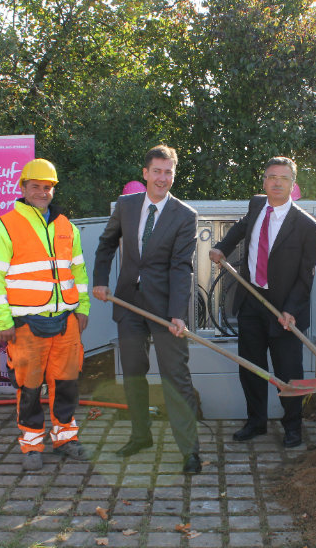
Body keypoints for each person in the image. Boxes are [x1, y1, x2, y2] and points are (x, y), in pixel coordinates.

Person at [92, 145, 202, 475]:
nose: (162, 178)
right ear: (145, 173)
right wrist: (100, 280)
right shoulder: (126, 206)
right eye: (157, 171)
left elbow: (182, 268)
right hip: (128, 303)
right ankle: (141, 436)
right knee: (134, 371)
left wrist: (178, 314)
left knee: (176, 375)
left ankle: (189, 451)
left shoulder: (184, 215)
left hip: (165, 309)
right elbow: (107, 243)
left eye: (168, 172)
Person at [0, 158, 90, 472]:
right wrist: (2, 320)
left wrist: (82, 307)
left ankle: (66, 439)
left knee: (66, 383)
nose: (43, 192)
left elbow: (79, 271)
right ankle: (31, 445)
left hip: (65, 320)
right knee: (29, 388)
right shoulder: (4, 227)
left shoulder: (66, 226)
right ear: (24, 188)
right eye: (37, 186)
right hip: (26, 322)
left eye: (48, 187)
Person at [209, 156, 316, 448]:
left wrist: (291, 310)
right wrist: (221, 248)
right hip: (252, 301)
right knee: (251, 366)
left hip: (284, 309)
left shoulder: (307, 226)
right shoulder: (257, 205)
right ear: (264, 181)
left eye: (284, 178)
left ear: (293, 184)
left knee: (289, 371)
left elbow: (306, 276)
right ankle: (255, 422)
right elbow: (240, 229)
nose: (277, 183)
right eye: (272, 177)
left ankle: (293, 427)